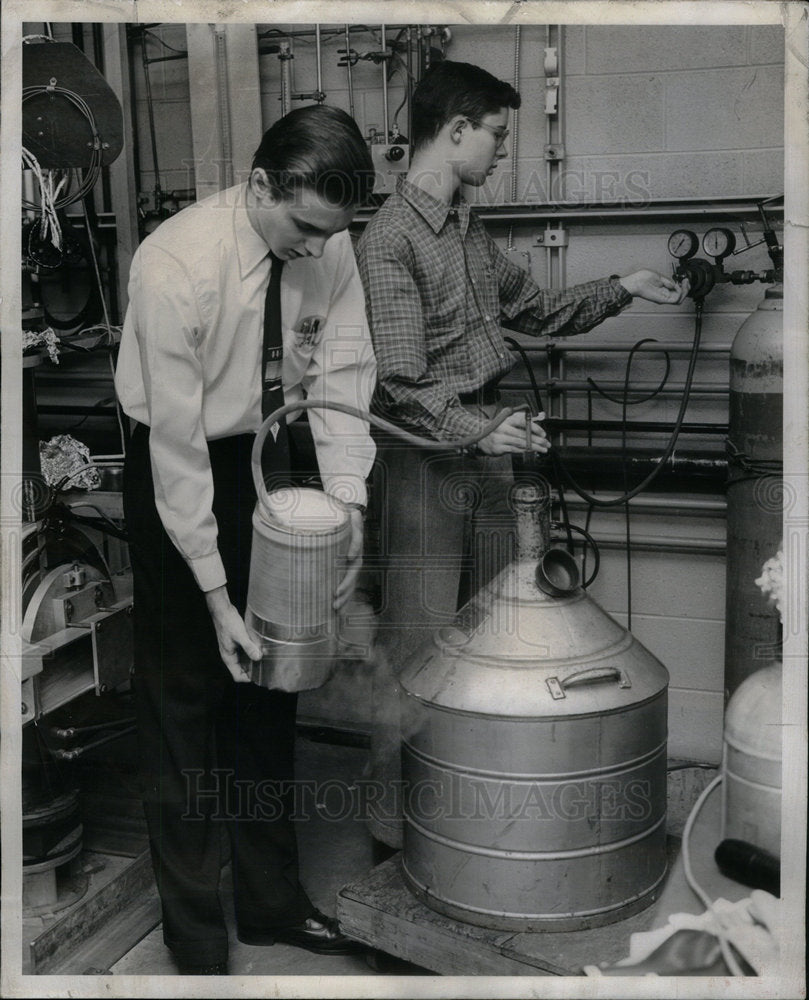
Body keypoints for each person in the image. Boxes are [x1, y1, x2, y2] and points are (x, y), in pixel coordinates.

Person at [356, 60, 689, 847]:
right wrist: (479, 429)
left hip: (489, 454)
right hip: (425, 463)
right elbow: (402, 383)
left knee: (498, 631)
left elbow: (534, 309)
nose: (502, 150)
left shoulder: (470, 233)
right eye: (496, 135)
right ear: (456, 130)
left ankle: (471, 821)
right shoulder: (388, 241)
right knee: (419, 644)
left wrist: (624, 284)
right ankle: (393, 838)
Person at [114, 105, 376, 974]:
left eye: (328, 232)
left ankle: (270, 906)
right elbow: (178, 448)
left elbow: (342, 374)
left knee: (270, 690)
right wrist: (217, 596)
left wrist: (346, 510)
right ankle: (195, 938)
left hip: (276, 454)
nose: (314, 248)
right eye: (302, 226)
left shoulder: (327, 243)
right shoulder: (175, 265)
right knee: (185, 702)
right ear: (259, 184)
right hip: (180, 469)